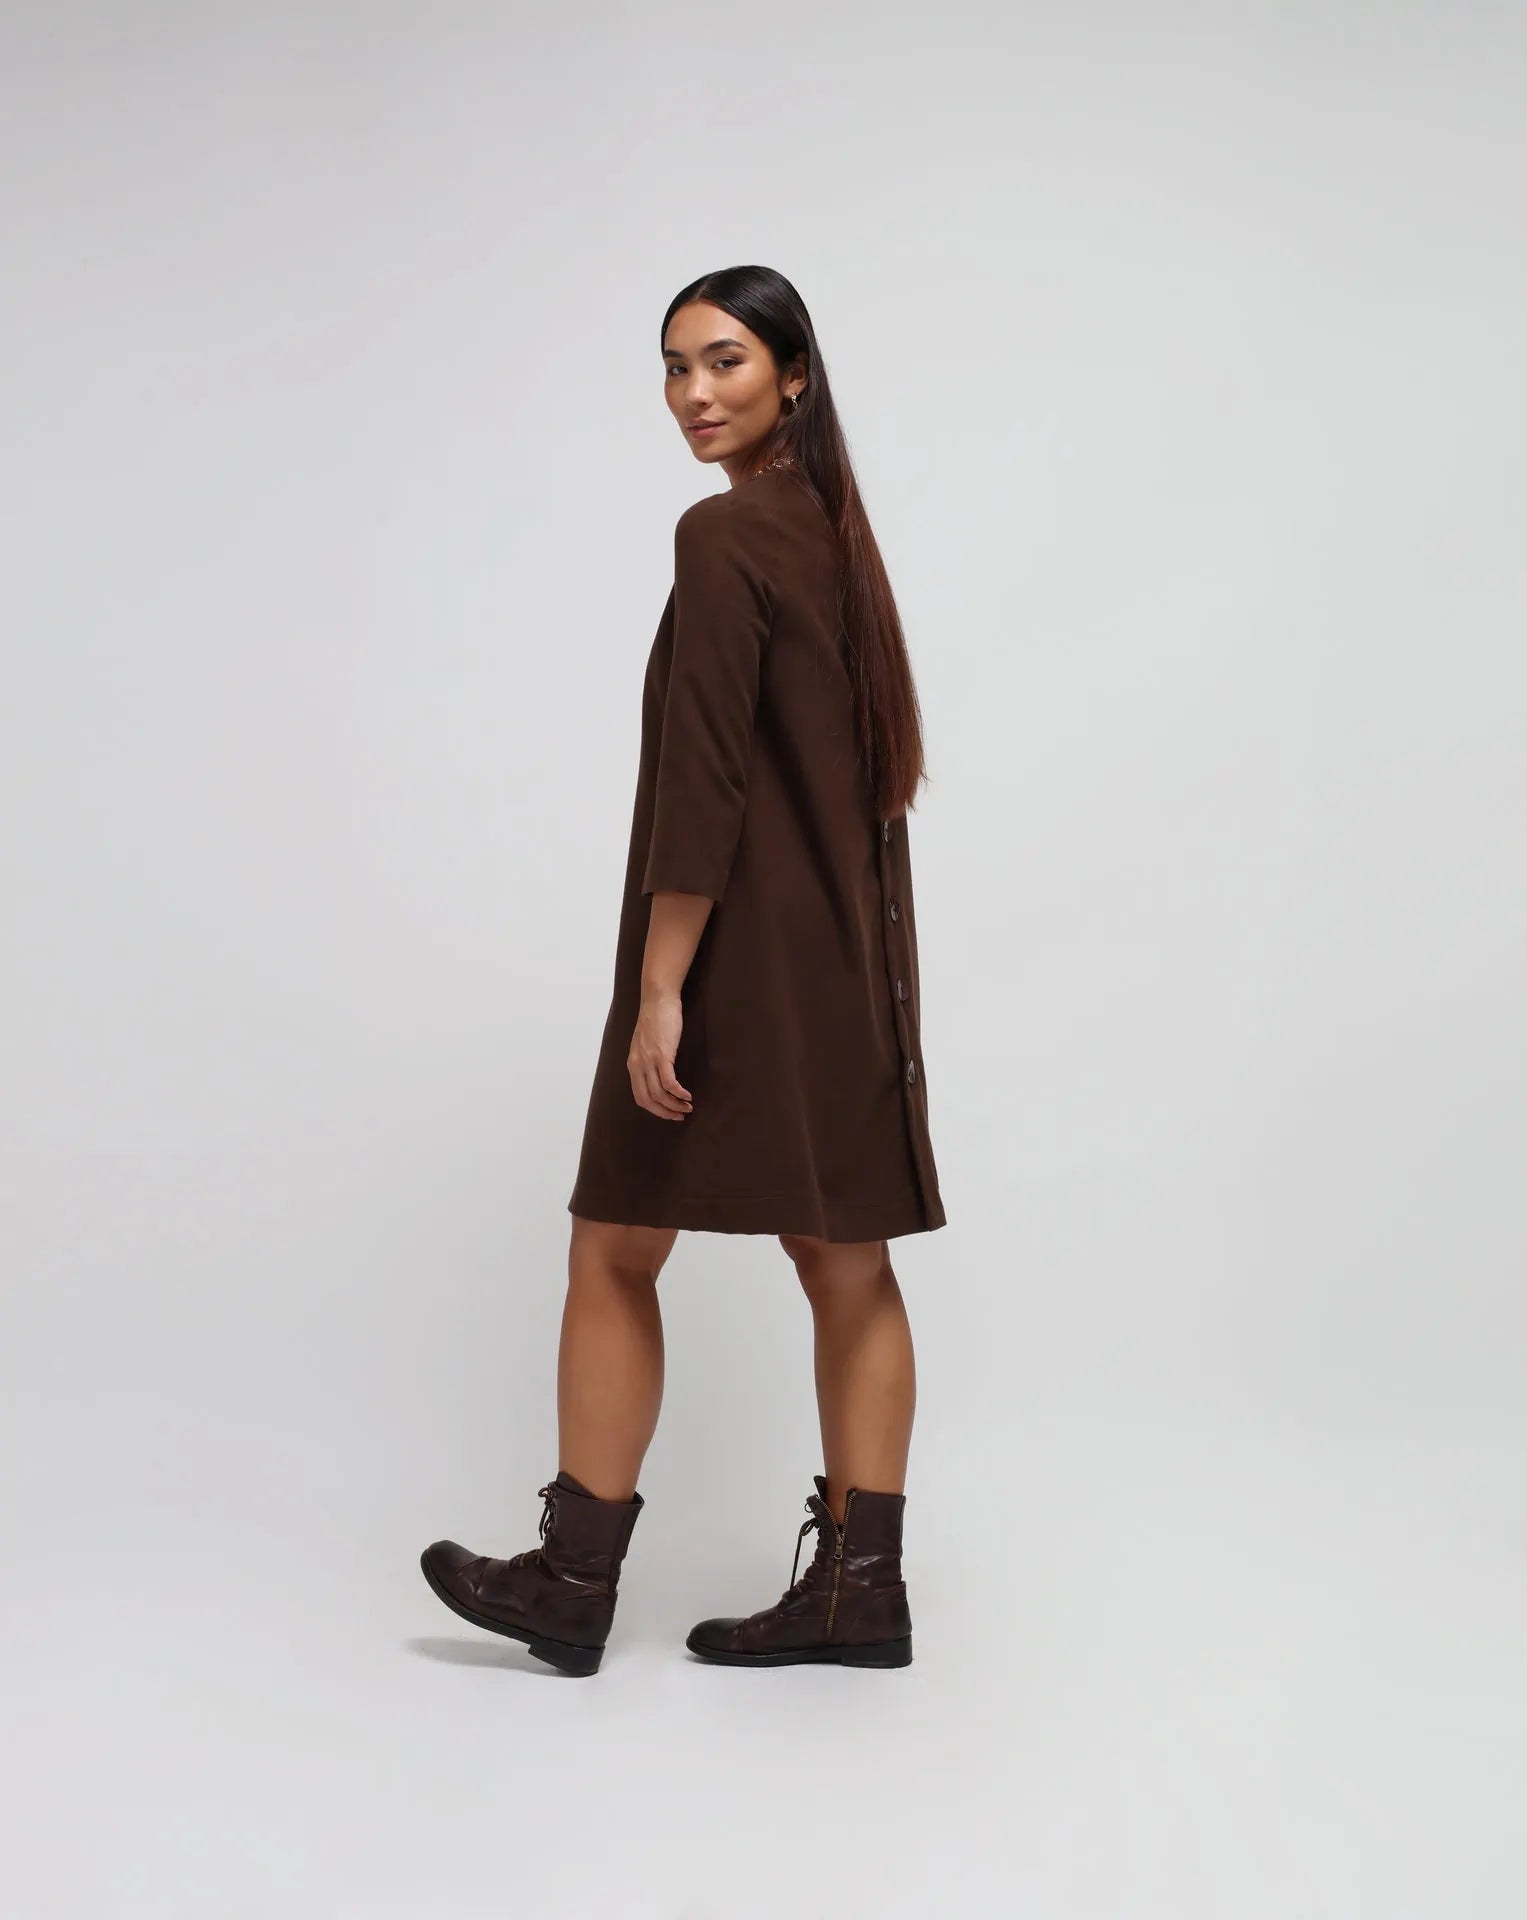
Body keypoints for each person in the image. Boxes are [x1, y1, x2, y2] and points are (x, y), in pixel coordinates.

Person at [421, 265, 947, 1676]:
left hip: (732, 962)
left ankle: (571, 1582)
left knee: (613, 1246)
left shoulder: (724, 543)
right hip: (843, 967)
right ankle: (862, 1593)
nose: (694, 395)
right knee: (847, 1265)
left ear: (794, 376)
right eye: (672, 368)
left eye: (724, 362)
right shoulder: (839, 543)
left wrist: (662, 987)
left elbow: (701, 788)